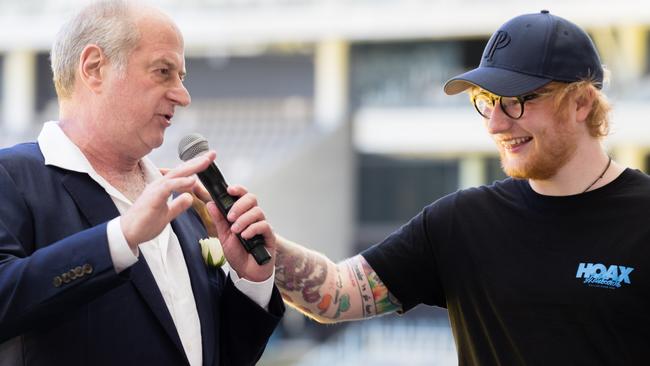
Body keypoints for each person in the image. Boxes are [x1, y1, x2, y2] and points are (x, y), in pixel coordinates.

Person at [272, 10, 649, 364]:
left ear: (581, 102)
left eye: (517, 102)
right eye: (487, 102)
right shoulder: (461, 221)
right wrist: (262, 247)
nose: (495, 125)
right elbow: (336, 294)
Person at [0, 1, 284, 365]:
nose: (182, 96)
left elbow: (215, 354)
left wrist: (251, 282)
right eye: (163, 71)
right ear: (94, 68)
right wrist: (119, 239)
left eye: (181, 77)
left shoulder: (180, 202)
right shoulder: (13, 178)